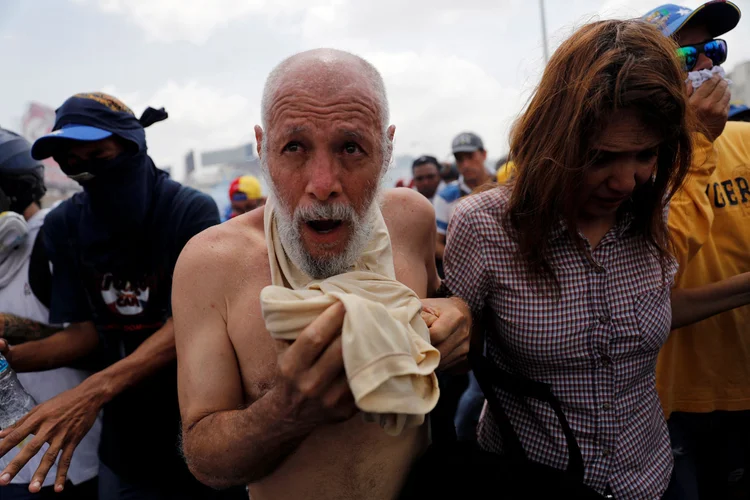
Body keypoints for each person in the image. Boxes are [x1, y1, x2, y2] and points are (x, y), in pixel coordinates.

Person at [443, 19, 750, 498]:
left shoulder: (656, 205)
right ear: (554, 142)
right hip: (536, 479)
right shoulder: (484, 227)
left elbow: (659, 307)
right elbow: (459, 353)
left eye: (645, 155)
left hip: (652, 478)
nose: (626, 181)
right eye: (601, 157)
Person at [173, 48, 472, 500]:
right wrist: (288, 412)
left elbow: (443, 330)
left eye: (351, 147)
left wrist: (460, 316)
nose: (322, 182)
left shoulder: (411, 221)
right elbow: (205, 460)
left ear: (387, 148)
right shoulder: (212, 262)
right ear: (261, 147)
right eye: (294, 147)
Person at [0, 93, 246, 500]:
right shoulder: (65, 225)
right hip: (125, 446)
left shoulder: (188, 211)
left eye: (99, 155)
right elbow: (85, 333)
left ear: (133, 146)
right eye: (72, 164)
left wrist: (92, 390)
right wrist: (11, 360)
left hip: (201, 422)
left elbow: (188, 324)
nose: (86, 172)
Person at [643, 2, 750, 498]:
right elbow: (651, 285)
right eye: (689, 56)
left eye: (714, 49)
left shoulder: (748, 142)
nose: (707, 65)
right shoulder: (634, 168)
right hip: (675, 401)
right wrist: (695, 139)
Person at [0, 128, 101, 500]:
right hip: (10, 470)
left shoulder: (51, 240)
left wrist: (10, 343)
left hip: (67, 464)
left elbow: (91, 338)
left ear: (15, 190)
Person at [433, 132, 492, 262]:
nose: (465, 164)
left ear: (484, 154)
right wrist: (465, 265)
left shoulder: (504, 185)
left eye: (470, 156)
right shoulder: (446, 196)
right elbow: (436, 244)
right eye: (459, 159)